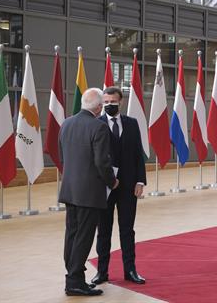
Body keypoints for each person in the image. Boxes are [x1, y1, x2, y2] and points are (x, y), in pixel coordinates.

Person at [58, 88, 119, 296]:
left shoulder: (66, 123)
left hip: (69, 189)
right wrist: (113, 182)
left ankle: (74, 277)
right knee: (84, 237)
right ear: (99, 107)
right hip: (89, 192)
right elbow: (102, 162)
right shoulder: (98, 127)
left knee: (72, 235)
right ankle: (74, 283)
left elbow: (61, 155)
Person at [91, 87, 147, 285]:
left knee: (127, 230)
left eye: (112, 102)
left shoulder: (132, 124)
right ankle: (102, 272)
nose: (109, 106)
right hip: (105, 187)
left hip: (128, 186)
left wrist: (140, 181)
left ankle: (130, 270)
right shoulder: (96, 124)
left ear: (120, 102)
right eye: (105, 102)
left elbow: (138, 154)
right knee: (103, 230)